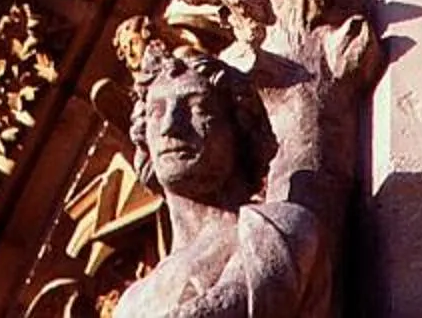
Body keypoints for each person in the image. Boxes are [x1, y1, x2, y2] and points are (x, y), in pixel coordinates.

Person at [115, 34, 363, 318]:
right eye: (156, 112)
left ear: (239, 130)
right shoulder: (132, 301)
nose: (171, 126)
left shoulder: (277, 230)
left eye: (198, 109)